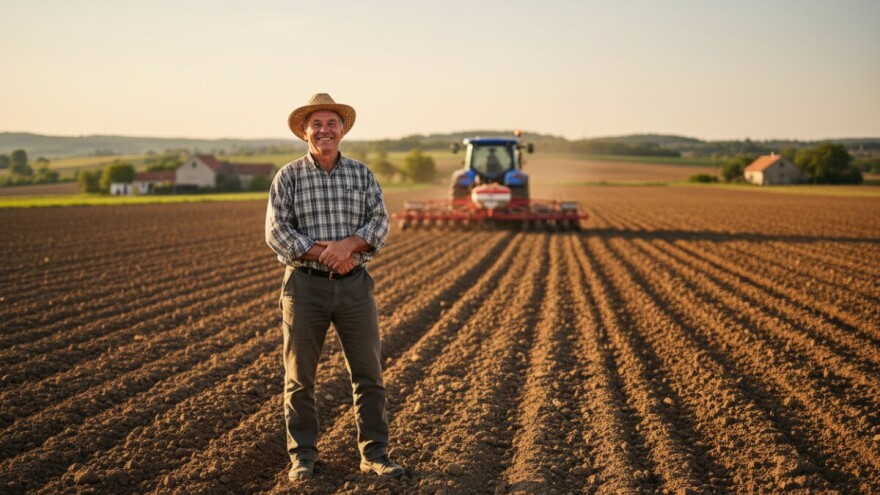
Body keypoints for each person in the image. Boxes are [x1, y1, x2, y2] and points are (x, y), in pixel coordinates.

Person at [265, 93, 404, 481]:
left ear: (342, 130)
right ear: (304, 131)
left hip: (355, 286)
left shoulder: (362, 174)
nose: (324, 130)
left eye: (331, 123)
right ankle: (302, 457)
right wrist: (321, 253)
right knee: (300, 379)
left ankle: (374, 454)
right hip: (303, 288)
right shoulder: (288, 176)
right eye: (317, 124)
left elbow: (380, 224)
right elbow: (276, 232)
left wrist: (347, 247)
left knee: (369, 374)